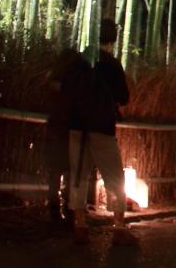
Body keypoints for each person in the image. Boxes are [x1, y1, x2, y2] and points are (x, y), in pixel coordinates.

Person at [67, 19, 137, 246]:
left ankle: (79, 225)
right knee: (114, 176)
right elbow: (123, 97)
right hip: (101, 127)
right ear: (113, 40)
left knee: (78, 176)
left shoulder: (79, 61)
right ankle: (119, 227)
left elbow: (66, 89)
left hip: (76, 125)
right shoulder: (112, 64)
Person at [43, 47, 88, 224]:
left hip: (56, 127)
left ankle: (54, 208)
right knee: (70, 169)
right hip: (71, 128)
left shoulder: (54, 78)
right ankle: (69, 208)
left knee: (55, 170)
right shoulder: (78, 79)